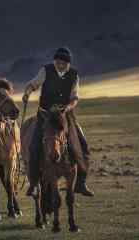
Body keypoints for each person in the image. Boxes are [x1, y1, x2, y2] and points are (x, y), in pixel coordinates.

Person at [22, 47, 94, 197]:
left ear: (68, 64)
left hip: (65, 116)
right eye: (57, 62)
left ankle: (80, 183)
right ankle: (34, 184)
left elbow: (74, 98)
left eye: (63, 63)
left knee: (83, 145)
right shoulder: (46, 70)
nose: (59, 65)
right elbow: (33, 84)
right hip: (45, 115)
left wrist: (68, 108)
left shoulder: (74, 75)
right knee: (33, 147)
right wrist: (27, 93)